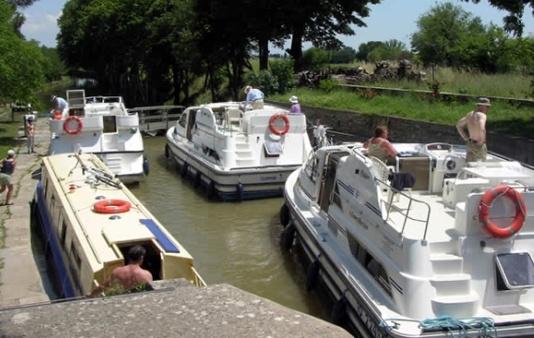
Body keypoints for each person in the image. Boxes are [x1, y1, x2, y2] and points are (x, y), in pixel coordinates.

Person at [456, 97, 490, 162]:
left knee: (469, 165)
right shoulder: (482, 115)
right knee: (480, 167)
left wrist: (465, 137)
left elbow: (458, 125)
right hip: (478, 145)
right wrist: (482, 141)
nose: (488, 109)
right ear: (483, 106)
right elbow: (482, 128)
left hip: (470, 143)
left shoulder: (470, 114)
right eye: (487, 107)